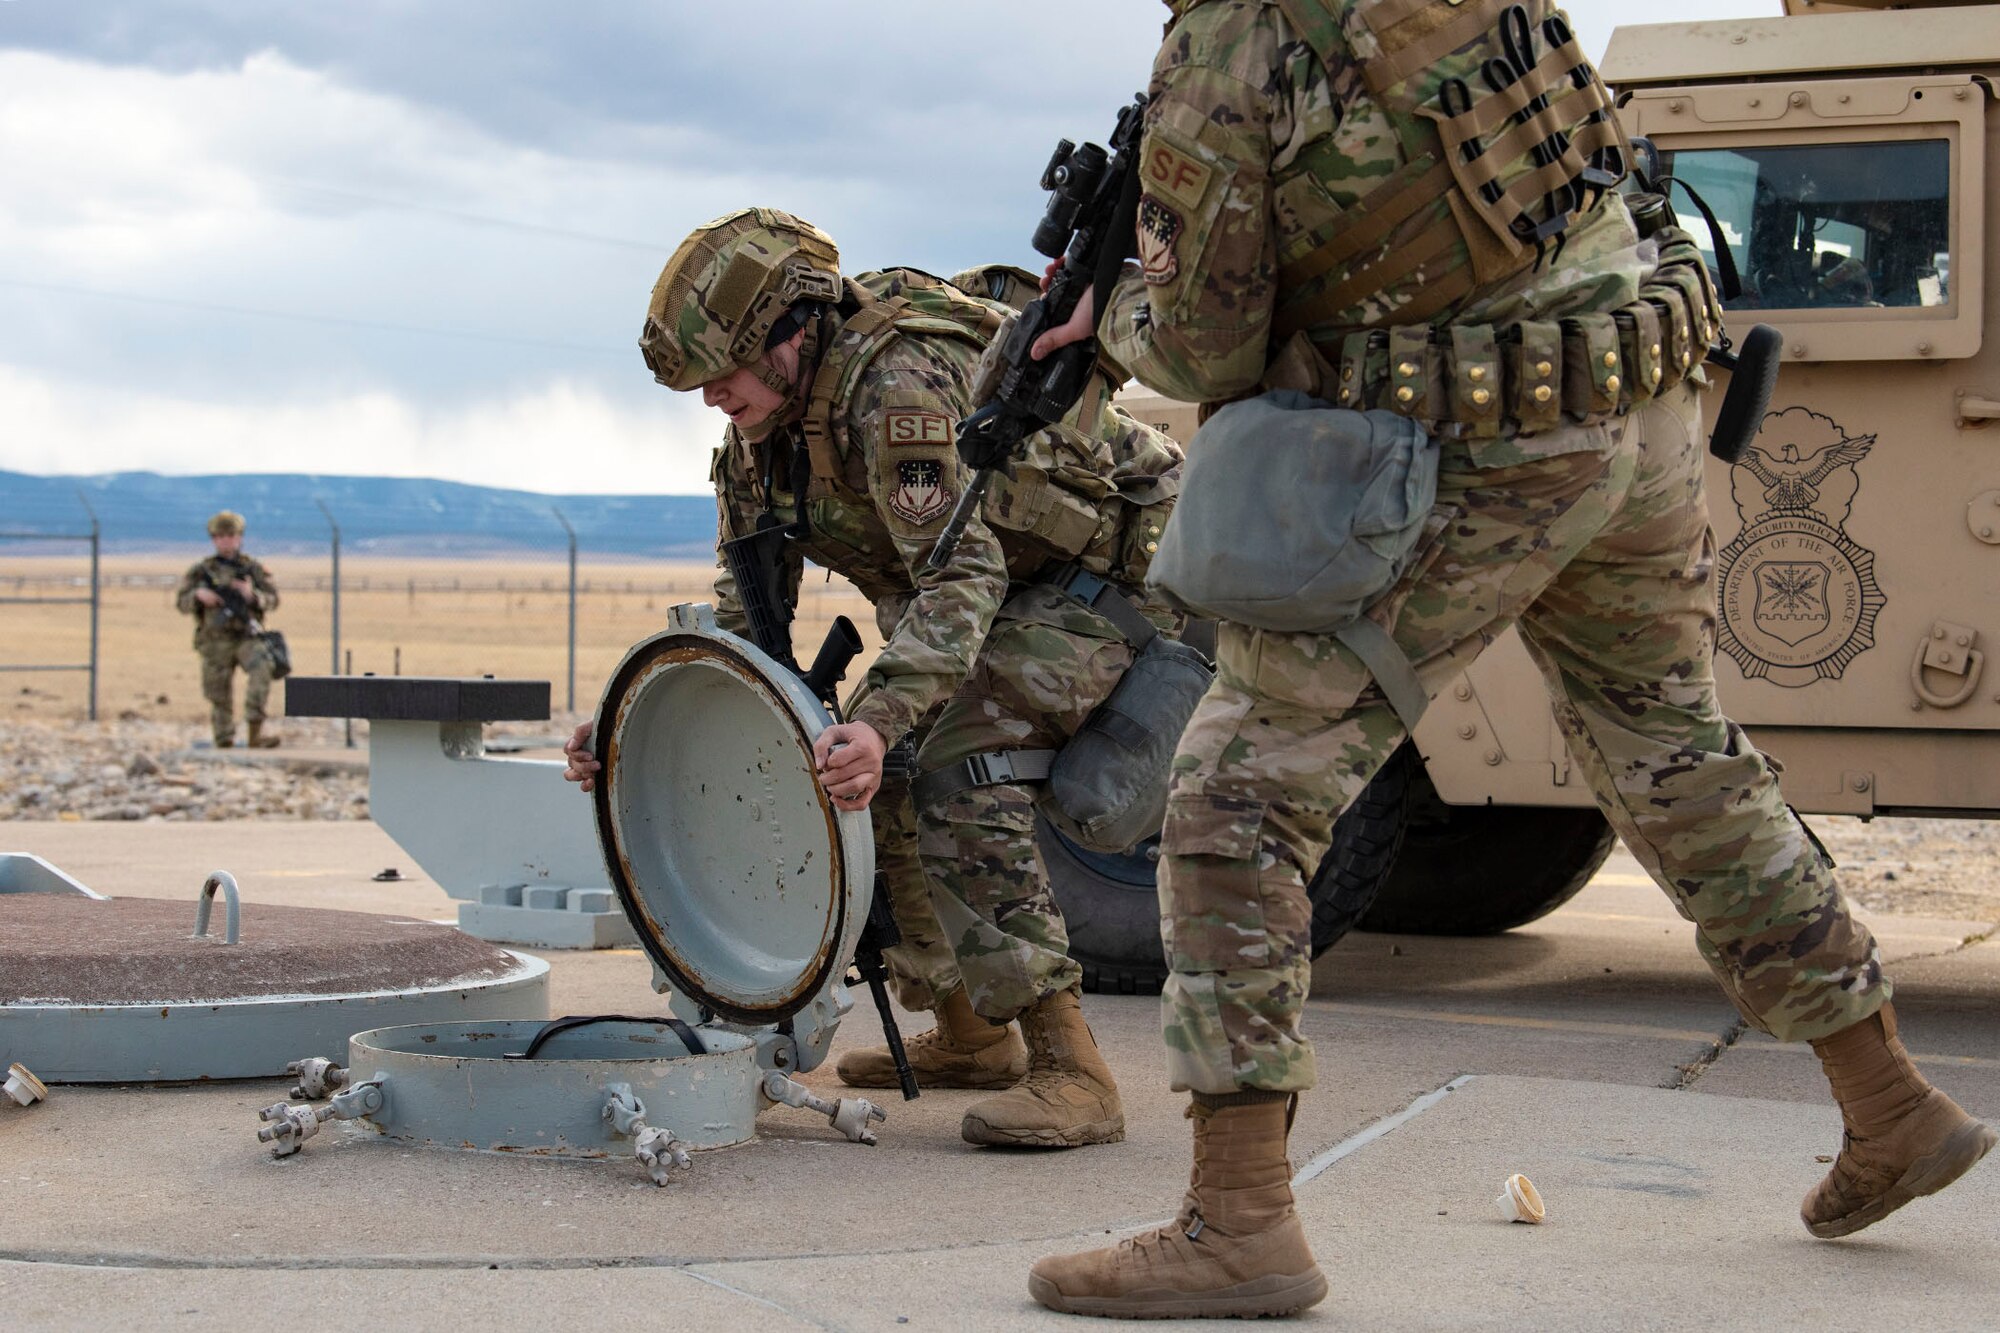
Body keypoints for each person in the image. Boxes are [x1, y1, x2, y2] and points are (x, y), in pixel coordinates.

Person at [1022, 0, 1995, 1318]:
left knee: (1237, 793)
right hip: (1635, 393)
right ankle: (1889, 1102)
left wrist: (1106, 316)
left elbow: (1204, 343)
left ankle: (1236, 1221)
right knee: (1666, 744)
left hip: (1478, 434)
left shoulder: (1234, 36)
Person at [563, 208, 1186, 1148]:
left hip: (1108, 579)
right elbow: (744, 623)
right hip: (996, 592)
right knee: (863, 772)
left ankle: (1073, 1068)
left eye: (724, 370)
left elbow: (961, 574)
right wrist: (629, 724)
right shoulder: (757, 438)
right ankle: (974, 1033)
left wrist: (885, 719)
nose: (711, 397)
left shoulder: (894, 386)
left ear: (793, 330)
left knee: (955, 757)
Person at [174, 510, 282, 749]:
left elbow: (273, 599)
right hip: (215, 640)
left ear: (239, 537)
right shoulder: (203, 571)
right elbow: (181, 602)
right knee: (218, 692)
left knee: (262, 670)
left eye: (231, 535)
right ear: (213, 539)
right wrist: (198, 596)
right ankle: (224, 739)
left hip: (246, 636)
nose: (226, 541)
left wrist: (251, 595)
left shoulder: (252, 569)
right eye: (221, 536)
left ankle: (255, 732)